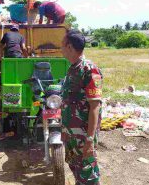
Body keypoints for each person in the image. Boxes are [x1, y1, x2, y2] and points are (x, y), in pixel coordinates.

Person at [60, 30, 103, 185]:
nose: (61, 49)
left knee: (88, 174)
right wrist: (64, 131)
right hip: (71, 134)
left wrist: (90, 140)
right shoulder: (73, 68)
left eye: (62, 45)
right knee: (76, 169)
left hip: (83, 136)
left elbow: (94, 107)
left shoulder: (89, 70)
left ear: (70, 47)